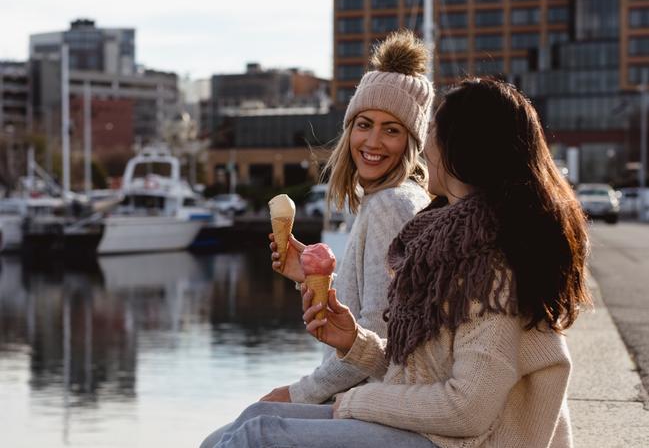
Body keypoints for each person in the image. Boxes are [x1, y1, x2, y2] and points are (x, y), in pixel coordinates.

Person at [206, 78, 591, 448]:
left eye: (434, 132)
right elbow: (426, 371)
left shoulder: (490, 264)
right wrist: (354, 342)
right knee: (255, 418)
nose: (426, 147)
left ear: (462, 149)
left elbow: (467, 410)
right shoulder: (450, 241)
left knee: (258, 438)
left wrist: (355, 403)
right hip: (443, 436)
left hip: (473, 441)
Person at [199, 29, 433, 447]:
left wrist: (298, 393)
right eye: (364, 125)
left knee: (243, 433)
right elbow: (371, 313)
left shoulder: (391, 206)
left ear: (412, 142)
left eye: (392, 130)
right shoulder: (387, 201)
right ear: (349, 130)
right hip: (373, 401)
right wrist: (308, 277)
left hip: (385, 410)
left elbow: (381, 342)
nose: (373, 142)